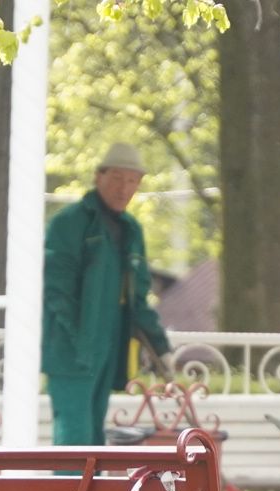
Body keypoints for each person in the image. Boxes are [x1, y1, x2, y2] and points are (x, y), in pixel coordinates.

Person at [42, 142, 172, 447]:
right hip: (69, 354)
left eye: (132, 181)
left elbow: (139, 298)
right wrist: (80, 339)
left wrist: (161, 347)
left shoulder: (131, 230)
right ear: (98, 176)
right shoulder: (68, 224)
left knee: (96, 443)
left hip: (109, 350)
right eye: (116, 178)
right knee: (75, 443)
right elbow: (55, 290)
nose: (123, 188)